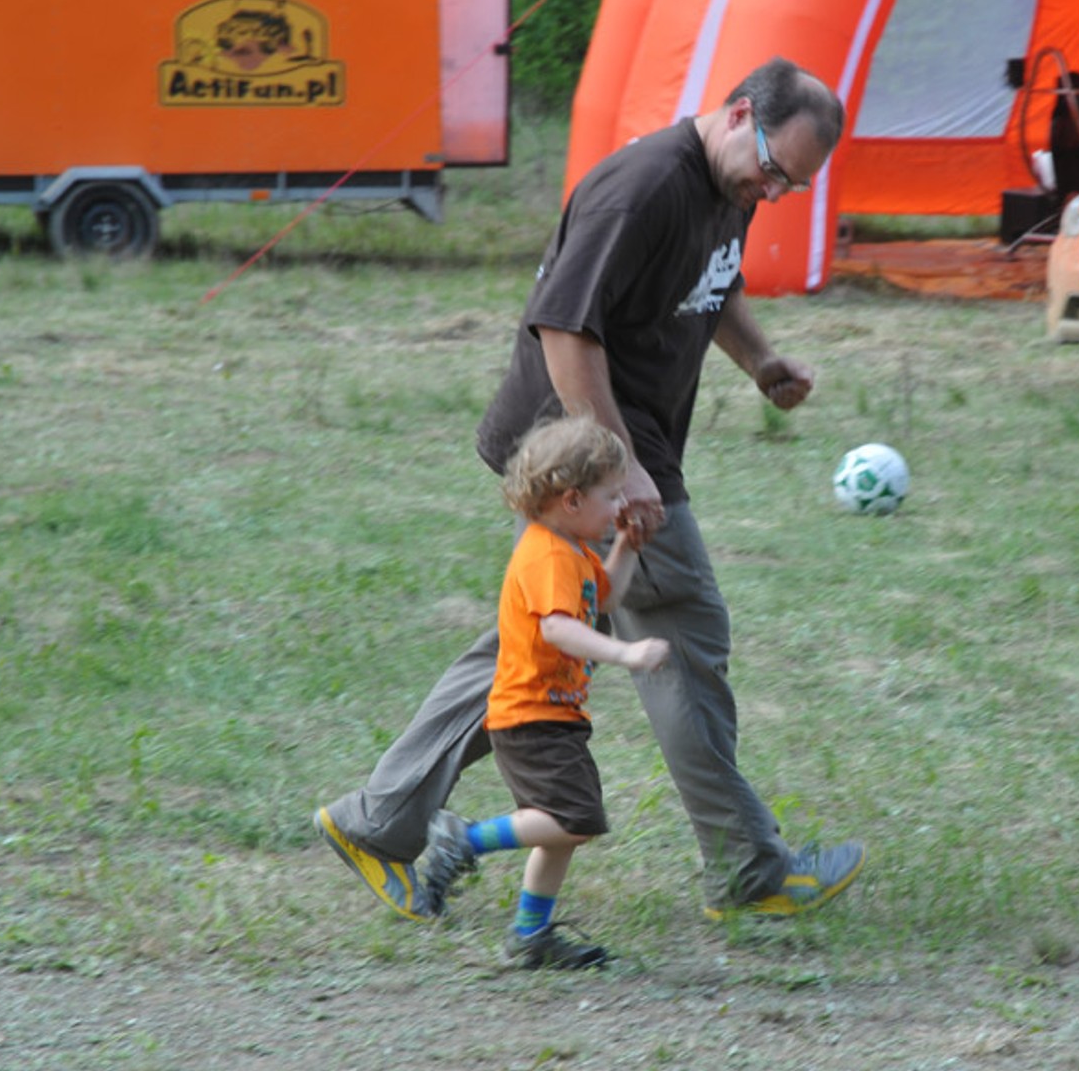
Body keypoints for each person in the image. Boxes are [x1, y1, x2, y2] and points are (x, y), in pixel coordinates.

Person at [315, 56, 866, 926]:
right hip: (581, 448)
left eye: (791, 185)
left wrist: (761, 361)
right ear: (736, 114)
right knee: (685, 631)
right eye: (773, 168)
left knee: (532, 643)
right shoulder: (642, 188)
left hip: (607, 448)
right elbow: (566, 329)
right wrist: (623, 471)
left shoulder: (727, 188)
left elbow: (709, 286)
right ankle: (749, 871)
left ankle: (377, 821)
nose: (773, 189)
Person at [438, 416, 668, 969]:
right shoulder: (545, 554)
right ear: (570, 499)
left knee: (562, 830)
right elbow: (558, 628)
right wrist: (625, 654)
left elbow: (604, 598)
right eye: (611, 495)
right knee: (575, 819)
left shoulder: (572, 549)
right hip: (530, 715)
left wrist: (628, 547)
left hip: (553, 714)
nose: (619, 506)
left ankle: (529, 936)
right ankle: (463, 839)